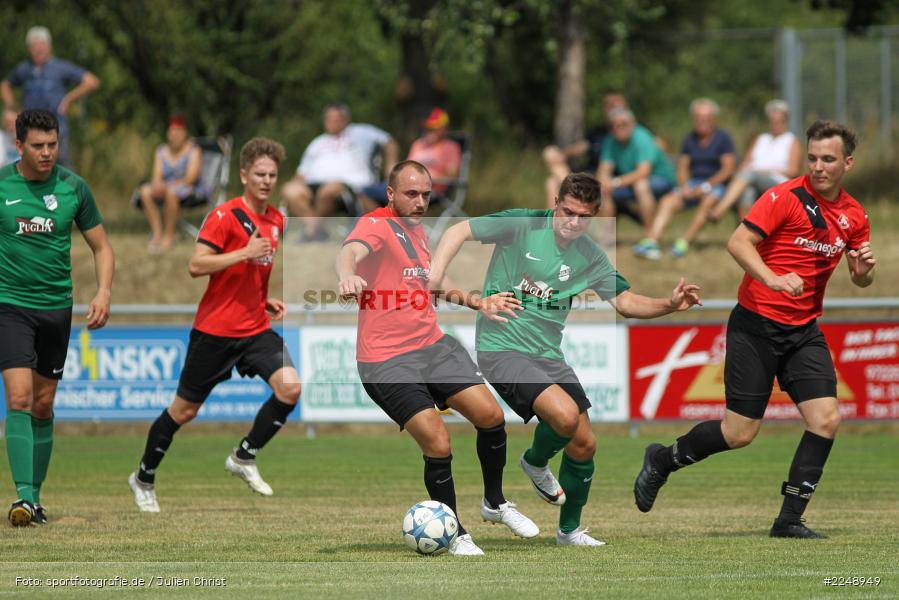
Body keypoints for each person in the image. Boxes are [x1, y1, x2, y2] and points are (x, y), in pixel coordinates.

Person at [429, 172, 702, 546]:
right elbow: (458, 230)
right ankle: (535, 462)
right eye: (567, 212)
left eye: (584, 217)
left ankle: (569, 531)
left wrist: (670, 304)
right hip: (502, 347)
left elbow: (625, 302)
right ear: (555, 203)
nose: (573, 222)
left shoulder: (589, 255)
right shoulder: (522, 224)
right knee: (565, 416)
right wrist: (436, 275)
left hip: (548, 355)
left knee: (584, 443)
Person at [633, 120, 875, 539]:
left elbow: (861, 279)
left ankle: (789, 520)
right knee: (739, 433)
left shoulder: (854, 215)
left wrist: (863, 273)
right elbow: (738, 242)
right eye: (813, 157)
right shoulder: (784, 196)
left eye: (828, 159)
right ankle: (662, 460)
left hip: (803, 332)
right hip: (756, 326)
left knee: (826, 419)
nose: (818, 166)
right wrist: (772, 278)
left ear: (847, 163)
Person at [336, 160, 538, 556]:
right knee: (438, 442)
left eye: (426, 194)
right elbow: (350, 251)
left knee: (491, 416)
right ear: (390, 193)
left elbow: (433, 282)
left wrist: (478, 302)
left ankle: (494, 503)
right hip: (386, 361)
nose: (420, 201)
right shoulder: (375, 225)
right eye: (411, 194)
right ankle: (457, 532)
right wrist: (346, 274)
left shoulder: (417, 230)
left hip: (432, 345)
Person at [128, 137, 301, 513]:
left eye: (272, 174)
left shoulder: (276, 220)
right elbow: (196, 265)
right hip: (215, 332)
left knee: (290, 388)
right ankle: (143, 477)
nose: (267, 180)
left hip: (254, 328)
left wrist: (261, 298)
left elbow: (252, 272)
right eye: (260, 173)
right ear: (243, 175)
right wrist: (244, 252)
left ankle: (244, 456)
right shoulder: (224, 216)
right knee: (183, 412)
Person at [2, 109, 114, 527]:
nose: (47, 153)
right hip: (9, 304)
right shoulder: (2, 186)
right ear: (19, 146)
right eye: (38, 146)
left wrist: (103, 291)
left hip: (57, 308)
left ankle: (37, 497)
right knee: (19, 398)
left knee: (44, 404)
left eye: (53, 145)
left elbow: (102, 247)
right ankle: (24, 498)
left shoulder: (73, 188)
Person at [634, 98, 736, 259]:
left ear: (713, 119)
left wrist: (705, 187)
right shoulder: (689, 139)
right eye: (698, 117)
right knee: (668, 201)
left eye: (706, 118)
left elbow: (727, 169)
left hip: (715, 185)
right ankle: (651, 240)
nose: (702, 121)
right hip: (692, 183)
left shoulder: (723, 139)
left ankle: (684, 242)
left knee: (708, 201)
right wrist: (684, 187)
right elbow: (682, 167)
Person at [282, 103, 399, 240]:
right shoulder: (317, 142)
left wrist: (391, 166)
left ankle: (310, 233)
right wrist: (296, 183)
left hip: (349, 186)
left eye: (336, 119)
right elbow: (301, 172)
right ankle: (315, 230)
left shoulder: (362, 132)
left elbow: (389, 142)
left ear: (346, 119)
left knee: (329, 190)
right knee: (290, 190)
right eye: (329, 119)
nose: (332, 122)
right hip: (314, 184)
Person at [1, 26, 101, 167]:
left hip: (57, 130)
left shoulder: (60, 67)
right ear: (29, 49)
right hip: (31, 132)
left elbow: (92, 81)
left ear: (49, 46)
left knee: (62, 171)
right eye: (34, 46)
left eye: (42, 45)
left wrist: (69, 99)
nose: (38, 49)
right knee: (32, 173)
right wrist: (12, 107)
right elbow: (5, 85)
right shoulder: (24, 69)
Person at [708, 99, 802, 222]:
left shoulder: (791, 141)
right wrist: (744, 171)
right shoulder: (761, 138)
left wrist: (764, 171)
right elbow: (746, 162)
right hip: (752, 179)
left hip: (778, 181)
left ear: (785, 120)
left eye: (779, 121)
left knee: (751, 173)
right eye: (772, 121)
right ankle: (747, 232)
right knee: (747, 191)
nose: (775, 124)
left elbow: (793, 171)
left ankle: (719, 210)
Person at [359, 107, 461, 211]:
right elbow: (406, 168)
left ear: (444, 129)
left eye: (433, 128)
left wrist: (425, 182)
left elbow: (451, 177)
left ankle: (383, 224)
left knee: (371, 193)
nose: (428, 131)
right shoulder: (418, 144)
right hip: (405, 186)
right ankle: (381, 224)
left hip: (430, 190)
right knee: (365, 192)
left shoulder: (450, 147)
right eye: (426, 127)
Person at [597, 108, 676, 239]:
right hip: (629, 182)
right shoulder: (610, 141)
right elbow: (604, 169)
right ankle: (607, 238)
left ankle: (650, 237)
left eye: (623, 124)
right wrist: (603, 183)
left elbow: (643, 172)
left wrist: (615, 182)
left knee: (640, 185)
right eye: (613, 125)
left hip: (661, 180)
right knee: (603, 189)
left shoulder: (642, 138)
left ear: (632, 124)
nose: (618, 128)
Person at [542, 91, 628, 209]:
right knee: (550, 161)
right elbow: (582, 146)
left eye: (616, 104)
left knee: (552, 182)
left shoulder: (629, 131)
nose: (612, 108)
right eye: (608, 105)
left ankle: (574, 190)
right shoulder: (598, 132)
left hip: (606, 178)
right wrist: (562, 155)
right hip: (588, 173)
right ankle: (553, 223)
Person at [138, 116, 203, 253]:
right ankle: (157, 234)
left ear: (185, 132)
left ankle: (168, 237)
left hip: (187, 189)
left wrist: (167, 187)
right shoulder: (161, 151)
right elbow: (156, 176)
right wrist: (157, 185)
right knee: (145, 190)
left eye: (178, 130)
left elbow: (191, 178)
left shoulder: (194, 150)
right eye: (172, 131)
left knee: (172, 192)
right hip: (165, 187)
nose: (175, 134)